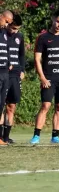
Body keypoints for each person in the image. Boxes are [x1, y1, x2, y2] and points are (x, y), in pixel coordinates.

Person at [30, 10, 59, 145]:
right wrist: (42, 77)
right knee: (45, 105)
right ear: (53, 19)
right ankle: (36, 135)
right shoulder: (42, 38)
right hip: (48, 78)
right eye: (58, 22)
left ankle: (55, 136)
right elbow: (37, 60)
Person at [3, 14, 25, 144]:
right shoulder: (2, 35)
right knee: (1, 105)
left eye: (17, 29)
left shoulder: (19, 36)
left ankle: (6, 136)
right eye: (13, 28)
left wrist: (22, 69)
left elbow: (21, 54)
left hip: (15, 75)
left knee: (11, 105)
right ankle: (0, 136)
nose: (15, 31)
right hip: (4, 73)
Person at [0, 14, 10, 146]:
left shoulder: (4, 33)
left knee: (1, 104)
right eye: (6, 21)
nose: (6, 25)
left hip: (4, 73)